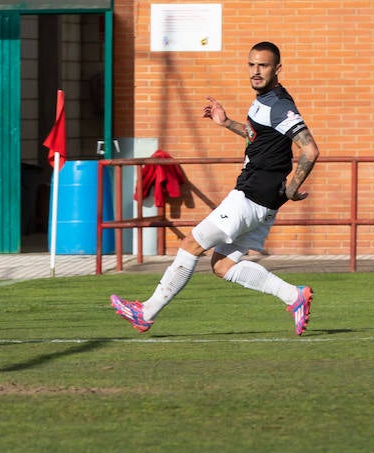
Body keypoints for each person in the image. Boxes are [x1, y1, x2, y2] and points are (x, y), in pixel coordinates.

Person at [110, 41, 319, 336]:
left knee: (190, 246)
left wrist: (291, 187)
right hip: (262, 201)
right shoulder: (265, 101)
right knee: (222, 266)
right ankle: (293, 296)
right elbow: (256, 135)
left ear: (277, 69)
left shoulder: (280, 104)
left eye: (263, 66)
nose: (256, 72)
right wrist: (226, 123)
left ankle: (146, 312)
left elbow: (309, 149)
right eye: (252, 65)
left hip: (250, 197)